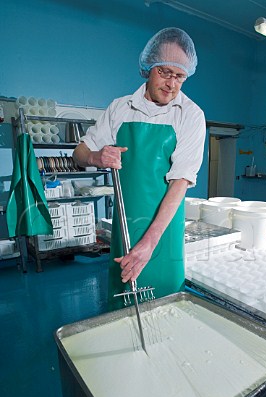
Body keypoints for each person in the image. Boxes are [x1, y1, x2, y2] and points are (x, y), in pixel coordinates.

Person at [73, 27, 206, 310]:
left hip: (164, 231)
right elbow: (79, 154)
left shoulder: (191, 115)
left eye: (180, 76)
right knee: (123, 307)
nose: (172, 84)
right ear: (148, 69)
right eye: (165, 73)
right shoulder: (120, 108)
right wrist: (98, 157)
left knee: (168, 306)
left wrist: (149, 243)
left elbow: (180, 182)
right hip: (126, 224)